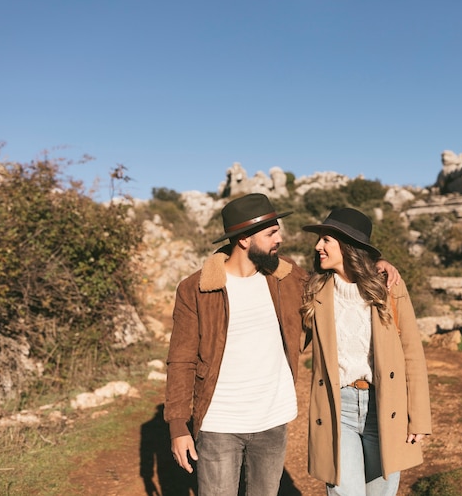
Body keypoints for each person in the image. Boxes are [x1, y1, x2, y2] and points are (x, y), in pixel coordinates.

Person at [164, 193, 400, 496]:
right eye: (272, 233)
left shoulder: (286, 277)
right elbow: (180, 360)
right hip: (218, 422)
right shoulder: (196, 289)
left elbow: (335, 282)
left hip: (273, 421)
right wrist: (177, 426)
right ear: (245, 240)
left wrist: (375, 262)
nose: (281, 238)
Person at [300, 207, 432, 496]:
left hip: (385, 405)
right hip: (338, 407)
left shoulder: (388, 288)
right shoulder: (314, 290)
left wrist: (419, 417)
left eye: (326, 240)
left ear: (348, 246)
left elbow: (412, 353)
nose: (317, 246)